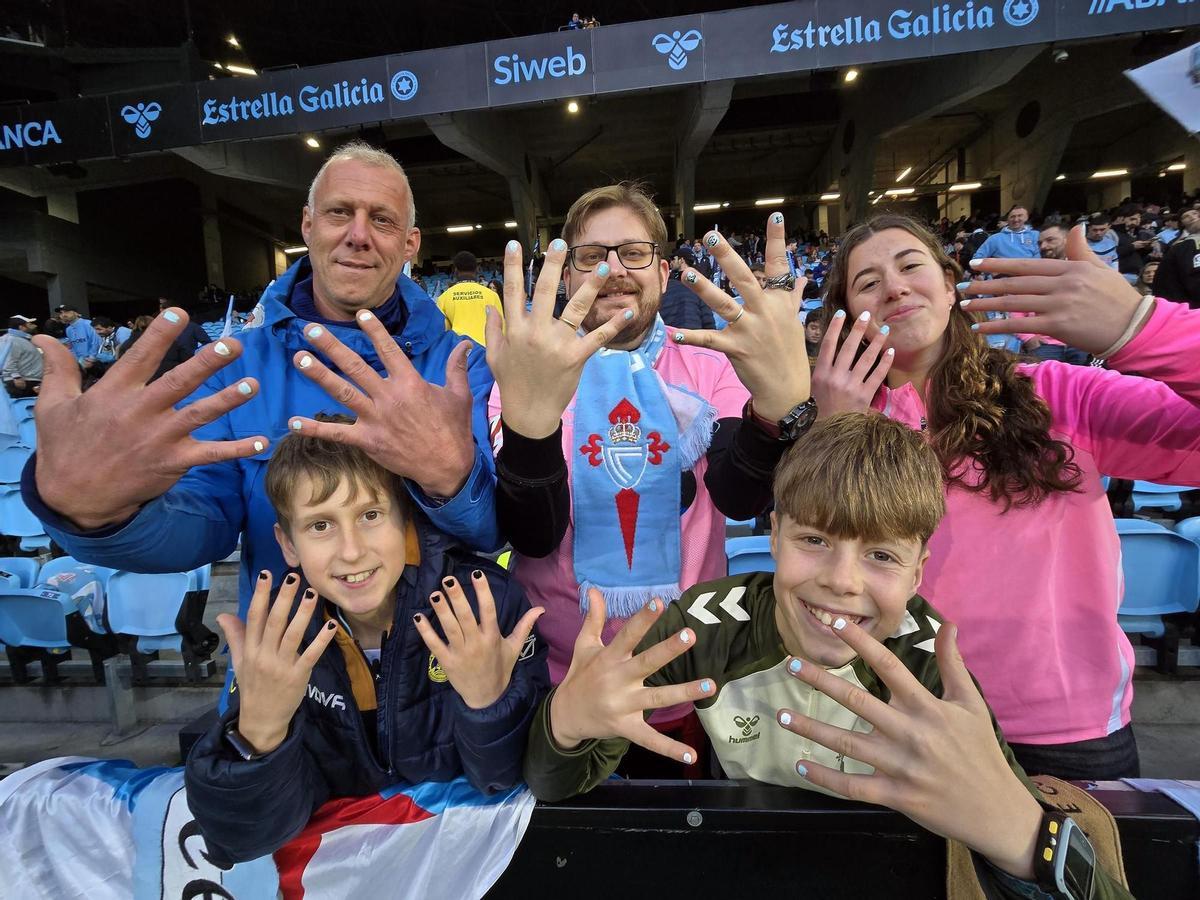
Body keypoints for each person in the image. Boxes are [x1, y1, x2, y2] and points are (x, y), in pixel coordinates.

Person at [523, 413, 1131, 899]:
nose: (842, 581)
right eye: (814, 540)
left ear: (919, 570)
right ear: (775, 534)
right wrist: (568, 724)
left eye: (881, 556)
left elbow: (1036, 848)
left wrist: (1021, 835)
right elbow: (553, 783)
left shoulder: (930, 670)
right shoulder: (706, 626)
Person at [22, 141, 503, 700]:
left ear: (410, 243)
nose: (358, 234)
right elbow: (201, 525)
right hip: (285, 687)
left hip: (445, 680)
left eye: (383, 219)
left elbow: (492, 532)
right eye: (339, 212)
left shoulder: (461, 368)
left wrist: (452, 481)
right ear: (307, 224)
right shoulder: (232, 368)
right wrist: (100, 517)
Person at [812, 214, 1200, 780]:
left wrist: (1141, 327)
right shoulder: (837, 418)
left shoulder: (1056, 394)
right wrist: (837, 436)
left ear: (950, 285)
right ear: (849, 316)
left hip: (1065, 730)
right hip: (903, 717)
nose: (894, 287)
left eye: (911, 266)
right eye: (868, 282)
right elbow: (823, 570)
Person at [485, 184, 811, 776]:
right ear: (566, 277)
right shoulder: (527, 375)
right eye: (591, 256)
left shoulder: (711, 368)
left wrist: (775, 409)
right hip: (558, 685)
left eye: (633, 253)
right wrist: (531, 428)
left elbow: (738, 494)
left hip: (686, 678)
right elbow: (532, 534)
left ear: (662, 270)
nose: (613, 270)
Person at [186, 417, 548, 865]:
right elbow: (241, 840)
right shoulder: (281, 638)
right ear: (288, 545)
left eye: (370, 515)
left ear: (406, 519)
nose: (352, 550)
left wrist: (487, 703)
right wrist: (259, 732)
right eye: (320, 525)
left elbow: (510, 787)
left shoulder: (483, 604)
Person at [436, 250, 505, 346]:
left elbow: (442, 332)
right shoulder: (492, 295)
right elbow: (501, 328)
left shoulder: (443, 298)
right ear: (477, 269)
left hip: (459, 350)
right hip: (487, 350)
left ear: (455, 270)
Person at [1153, 208, 1200, 308]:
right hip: (1190, 308)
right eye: (1186, 216)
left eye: (1195, 213)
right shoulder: (1183, 247)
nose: (1192, 217)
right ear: (1181, 223)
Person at [658, 249, 716, 331]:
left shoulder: (698, 282)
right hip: (685, 334)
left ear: (681, 260)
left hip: (678, 334)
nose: (671, 262)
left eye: (674, 259)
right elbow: (709, 324)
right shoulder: (699, 281)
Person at [972, 205, 1039, 261]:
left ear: (1026, 218)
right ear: (1008, 220)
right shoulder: (995, 238)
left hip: (1030, 271)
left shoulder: (1035, 235)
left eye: (1020, 216)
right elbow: (977, 259)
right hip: (1002, 272)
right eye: (1012, 216)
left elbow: (1039, 257)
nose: (1016, 219)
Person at [1, 315, 42, 397]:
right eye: (30, 324)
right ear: (21, 327)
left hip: (29, 379)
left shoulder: (21, 339)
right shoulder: (12, 340)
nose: (34, 326)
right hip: (23, 381)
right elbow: (8, 360)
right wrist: (16, 377)